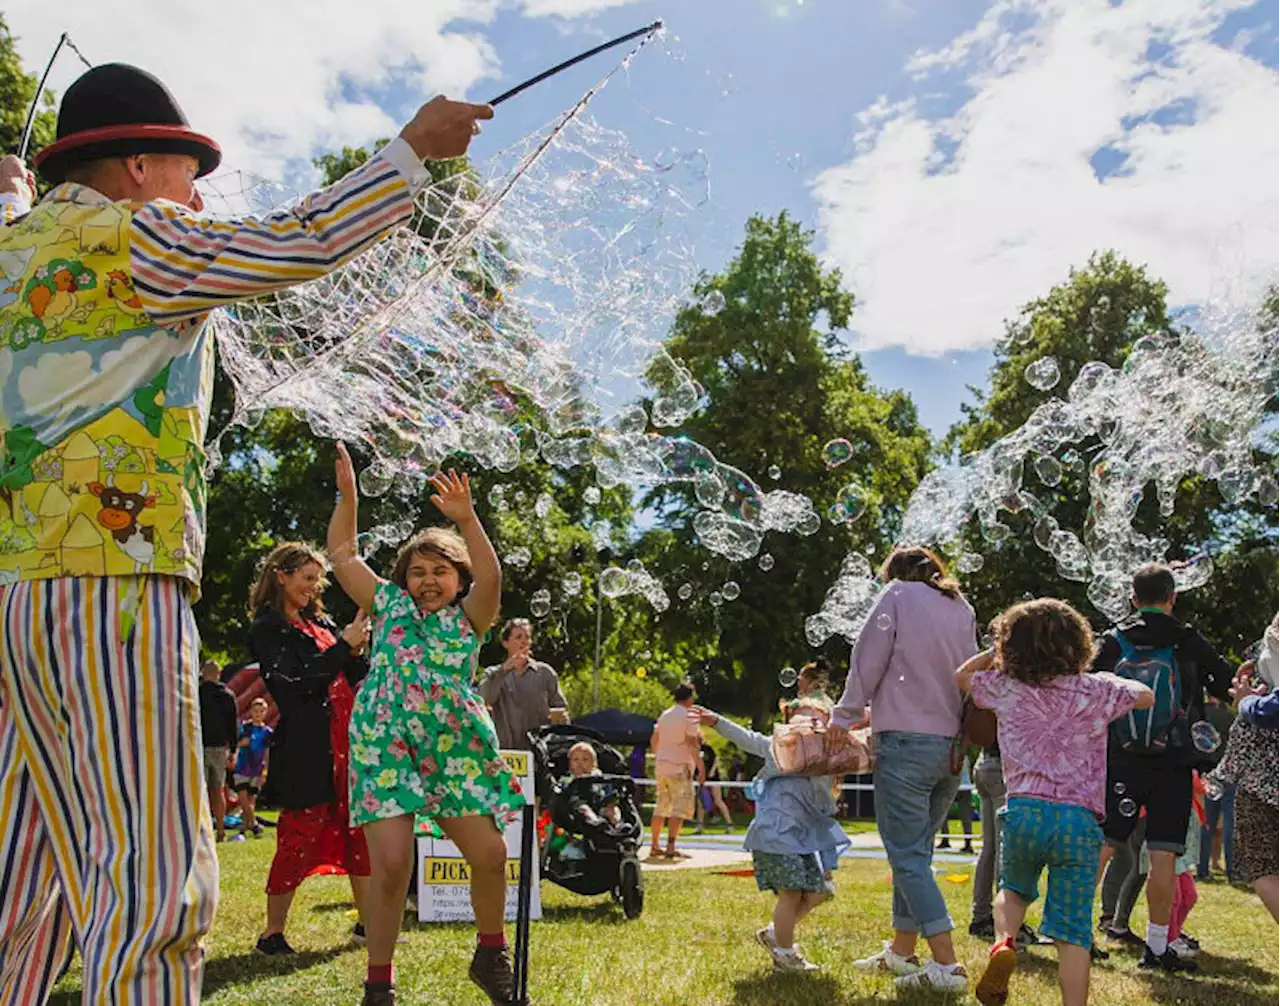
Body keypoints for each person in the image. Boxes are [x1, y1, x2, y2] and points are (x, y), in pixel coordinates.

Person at [0, 59, 491, 1003]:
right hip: (116, 588)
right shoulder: (143, 237)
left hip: (14, 600)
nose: (197, 194)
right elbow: (292, 243)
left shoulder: (18, 248)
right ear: (139, 166)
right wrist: (409, 155)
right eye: (188, 170)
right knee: (149, 876)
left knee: (23, 868)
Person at [330, 446, 523, 1006]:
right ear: (404, 579)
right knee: (390, 867)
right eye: (418, 571)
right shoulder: (387, 606)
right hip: (383, 741)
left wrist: (466, 519)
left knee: (488, 854)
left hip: (453, 744)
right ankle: (379, 985)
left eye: (440, 569)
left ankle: (490, 955)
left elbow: (492, 573)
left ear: (459, 579)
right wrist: (348, 499)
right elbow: (343, 557)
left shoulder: (471, 618)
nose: (428, 579)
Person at [958, 598, 1153, 1006]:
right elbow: (1146, 696)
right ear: (1080, 644)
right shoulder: (1097, 690)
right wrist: (1119, 683)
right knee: (1073, 931)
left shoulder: (1005, 687)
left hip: (1024, 811)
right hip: (1078, 822)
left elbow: (961, 677)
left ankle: (1004, 943)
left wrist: (995, 656)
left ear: (1010, 648)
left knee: (1012, 891)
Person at [832, 547, 977, 994]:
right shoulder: (961, 606)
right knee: (917, 853)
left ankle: (948, 967)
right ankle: (901, 951)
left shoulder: (895, 595)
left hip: (905, 743)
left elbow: (868, 659)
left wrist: (843, 716)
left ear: (893, 573)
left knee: (908, 857)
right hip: (952, 748)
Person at [1092, 563, 1233, 973]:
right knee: (1163, 857)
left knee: (1104, 846)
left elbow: (1086, 690)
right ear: (1173, 598)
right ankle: (1156, 947)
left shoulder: (1114, 639)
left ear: (1133, 598)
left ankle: (1075, 933)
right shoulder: (1188, 639)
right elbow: (1224, 681)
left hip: (1120, 759)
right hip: (1173, 761)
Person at [248, 542, 372, 955]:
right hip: (308, 747)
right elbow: (296, 686)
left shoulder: (319, 620)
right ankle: (272, 933)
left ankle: (368, 925)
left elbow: (352, 673)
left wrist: (357, 648)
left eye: (317, 579)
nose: (313, 587)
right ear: (280, 575)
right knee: (298, 835)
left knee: (360, 832)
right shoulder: (268, 628)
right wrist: (342, 648)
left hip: (347, 741)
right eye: (306, 578)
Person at [690, 698, 850, 972]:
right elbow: (746, 738)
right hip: (775, 834)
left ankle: (775, 934)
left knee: (817, 893)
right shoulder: (778, 749)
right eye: (800, 719)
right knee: (791, 893)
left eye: (817, 720)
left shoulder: (825, 758)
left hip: (799, 839)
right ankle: (785, 954)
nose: (808, 725)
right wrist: (716, 720)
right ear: (787, 726)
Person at [1210, 616, 1280, 922]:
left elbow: (1265, 713)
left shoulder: (1265, 707)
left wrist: (1246, 701)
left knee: (1260, 865)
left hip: (1262, 788)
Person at [477, 619, 569, 750]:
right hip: (505, 751)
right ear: (505, 643)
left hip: (538, 751)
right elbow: (483, 700)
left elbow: (562, 709)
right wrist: (503, 671)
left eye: (527, 637)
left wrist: (557, 715)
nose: (524, 641)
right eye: (518, 637)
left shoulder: (545, 672)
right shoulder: (492, 673)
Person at [649, 682, 706, 860]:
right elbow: (691, 743)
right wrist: (701, 767)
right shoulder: (688, 715)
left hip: (661, 765)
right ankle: (671, 846)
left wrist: (662, 755)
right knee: (678, 808)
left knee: (661, 806)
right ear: (690, 697)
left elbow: (654, 740)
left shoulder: (665, 715)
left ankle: (654, 845)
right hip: (679, 766)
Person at [1197, 694, 1236, 880]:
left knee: (1206, 823)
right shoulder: (1230, 717)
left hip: (1205, 773)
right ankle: (1233, 871)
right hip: (1228, 773)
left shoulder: (1199, 715)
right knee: (1230, 824)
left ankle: (1202, 869)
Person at [199, 660, 238, 843]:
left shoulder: (196, 693)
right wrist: (233, 749)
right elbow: (233, 725)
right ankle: (220, 829)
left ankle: (199, 831)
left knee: (198, 791)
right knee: (218, 790)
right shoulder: (227, 695)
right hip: (219, 748)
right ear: (219, 673)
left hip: (198, 746)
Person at [234, 697, 273, 839]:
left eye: (261, 711)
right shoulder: (245, 727)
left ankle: (245, 827)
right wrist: (240, 744)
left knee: (251, 800)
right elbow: (236, 744)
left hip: (257, 769)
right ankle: (254, 824)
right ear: (251, 711)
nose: (258, 714)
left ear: (265, 712)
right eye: (255, 711)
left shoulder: (267, 732)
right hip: (243, 767)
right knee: (243, 799)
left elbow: (267, 752)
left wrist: (265, 771)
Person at [937, 755, 976, 855]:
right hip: (962, 785)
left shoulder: (946, 753)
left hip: (958, 786)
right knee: (963, 815)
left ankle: (963, 842)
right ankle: (965, 842)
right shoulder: (964, 755)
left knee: (946, 813)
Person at [695, 742, 734, 834]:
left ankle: (730, 824)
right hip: (701, 779)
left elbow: (716, 759)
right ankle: (699, 826)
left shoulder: (707, 748)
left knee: (718, 801)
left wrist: (712, 771)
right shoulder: (691, 749)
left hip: (713, 778)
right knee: (701, 802)